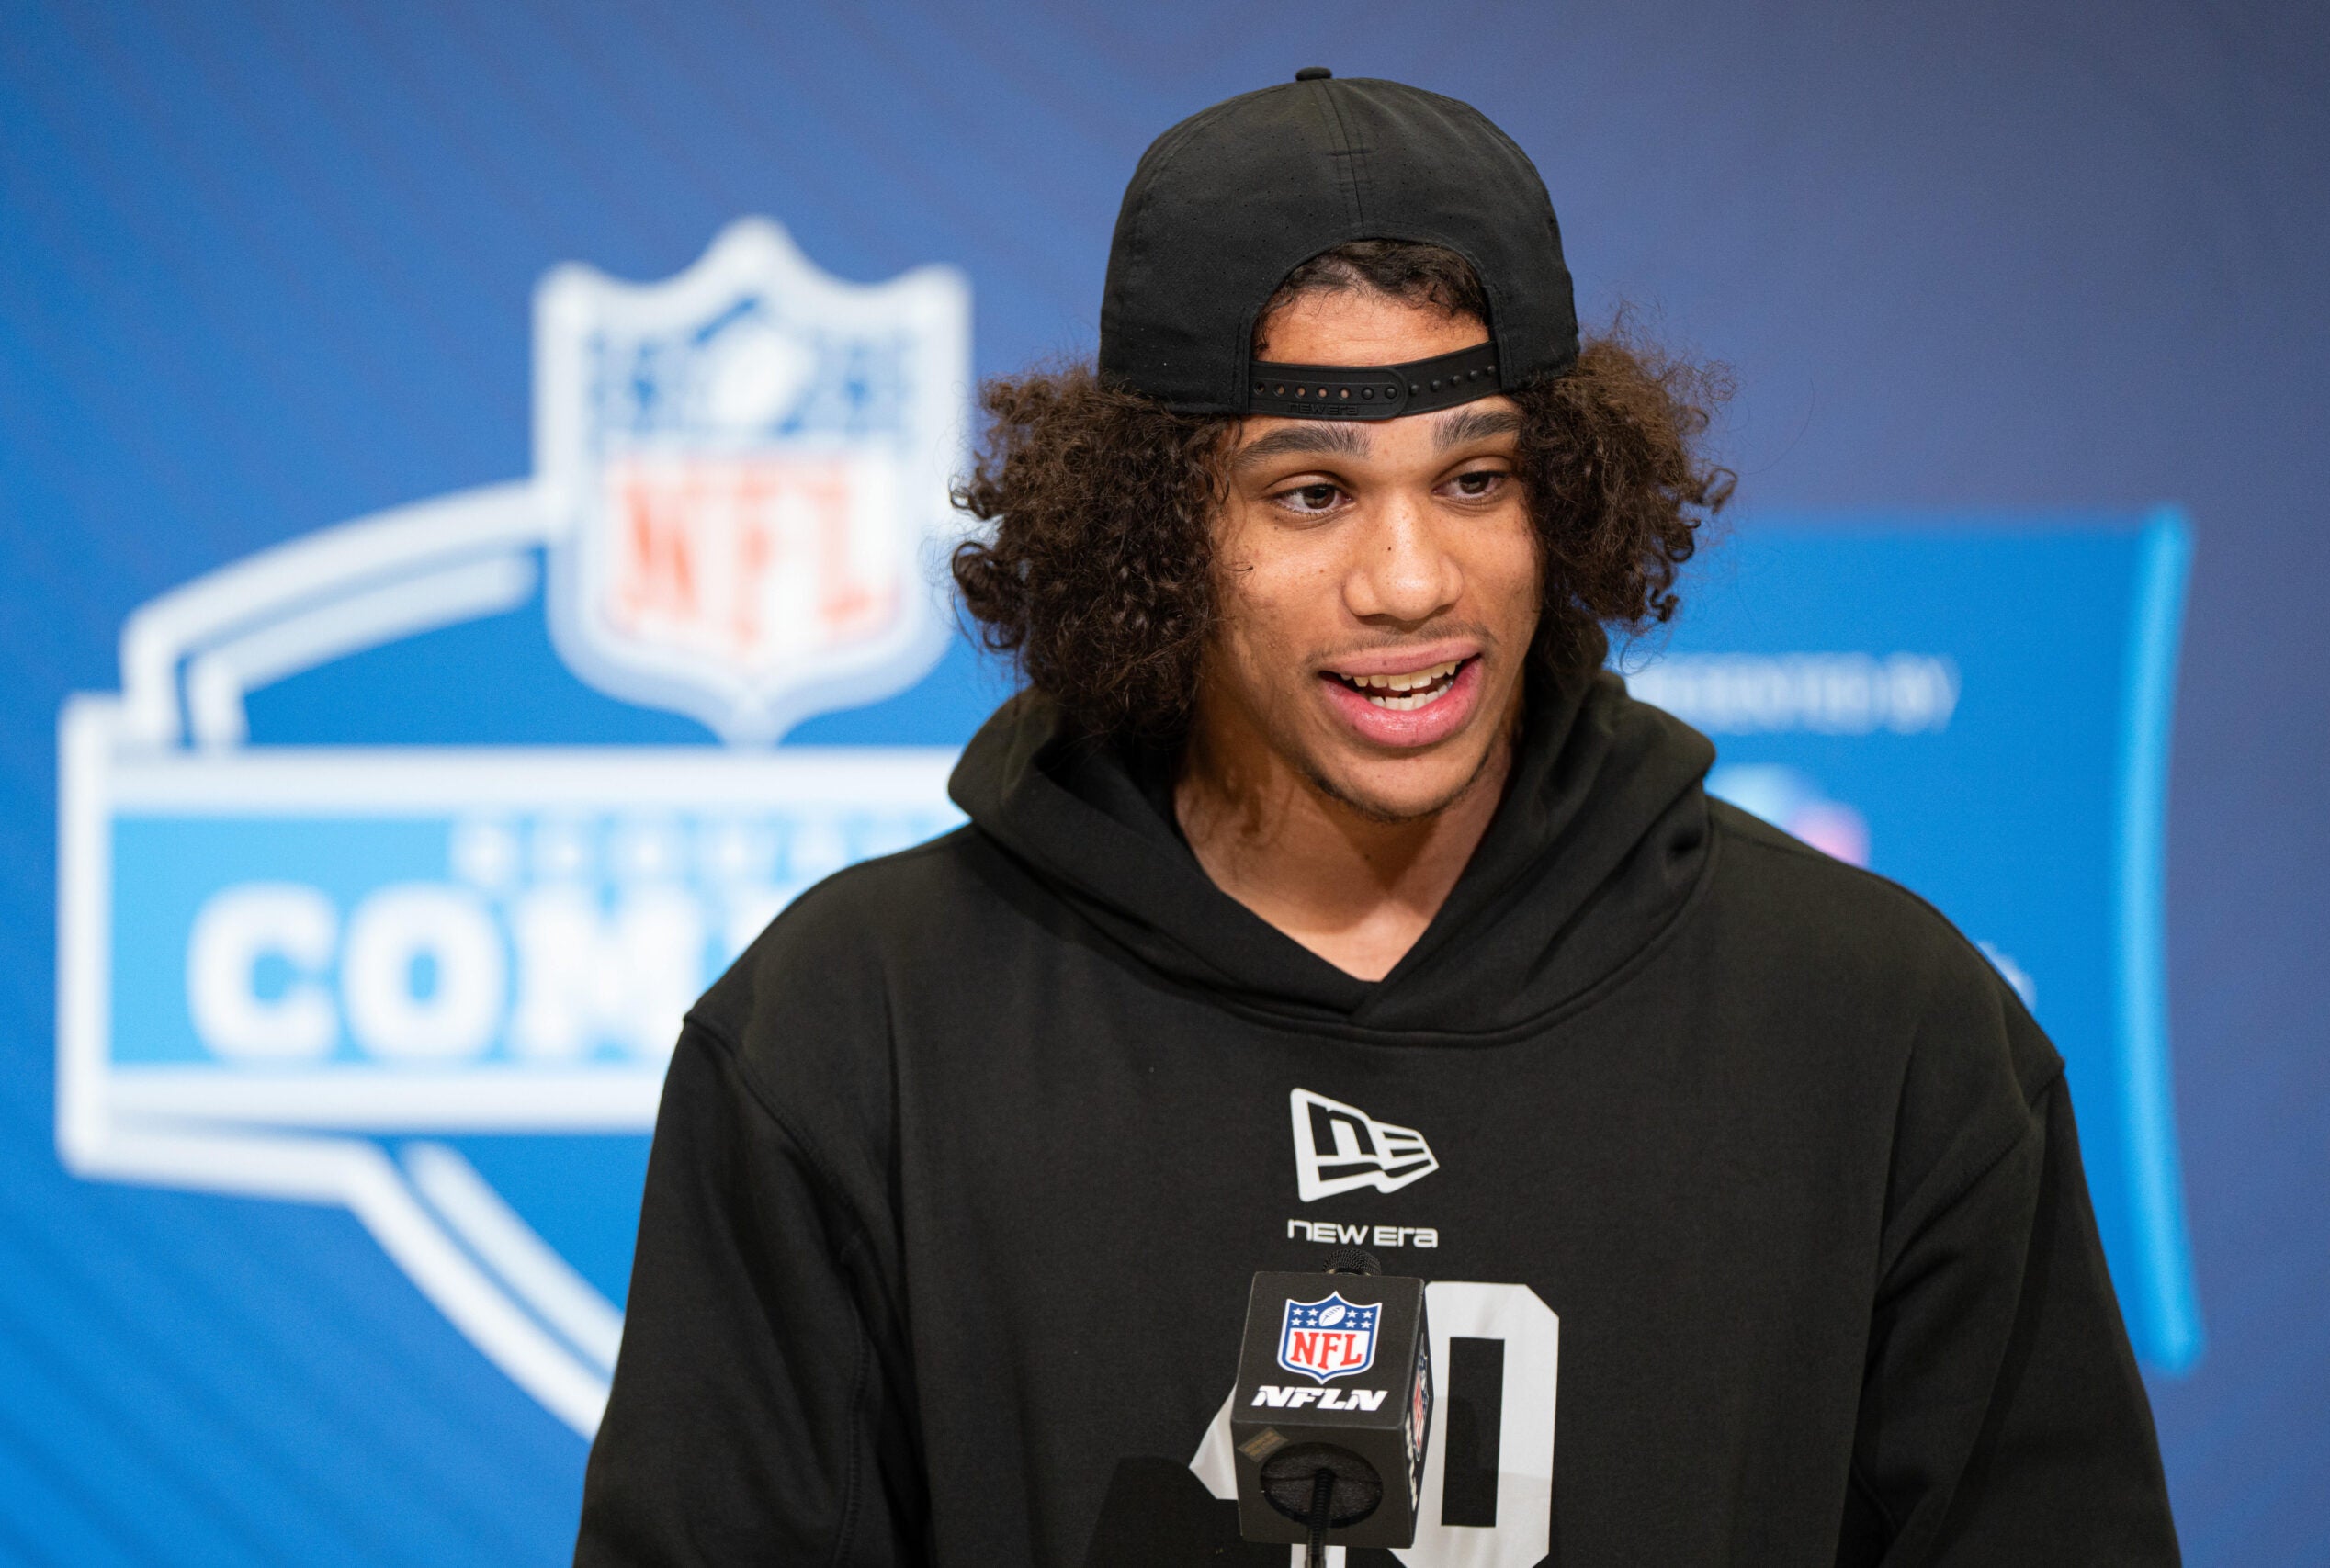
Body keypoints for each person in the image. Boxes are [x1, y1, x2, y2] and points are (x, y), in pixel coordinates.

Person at [575, 72, 2178, 1566]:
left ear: (1571, 499)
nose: (1413, 583)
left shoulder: (1881, 1026)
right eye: (1312, 493)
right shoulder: (855, 1029)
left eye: (1475, 478)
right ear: (1155, 537)